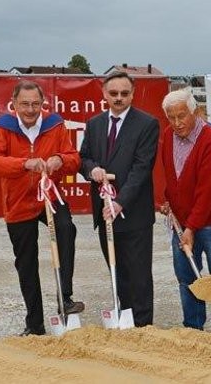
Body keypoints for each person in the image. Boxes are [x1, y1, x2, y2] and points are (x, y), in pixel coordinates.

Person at [0, 80, 84, 336]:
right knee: (26, 264)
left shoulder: (55, 125)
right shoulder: (4, 127)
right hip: (18, 201)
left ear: (43, 103)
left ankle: (66, 297)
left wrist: (59, 159)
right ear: (14, 104)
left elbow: (74, 159)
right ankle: (35, 324)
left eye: (35, 104)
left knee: (66, 229)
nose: (30, 110)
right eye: (25, 104)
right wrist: (24, 164)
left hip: (48, 195)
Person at [79, 71, 159, 327]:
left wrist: (120, 201)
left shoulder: (147, 124)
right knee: (117, 269)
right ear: (104, 94)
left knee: (139, 274)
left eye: (125, 94)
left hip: (133, 212)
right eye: (113, 94)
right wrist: (92, 170)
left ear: (132, 95)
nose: (119, 98)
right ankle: (125, 317)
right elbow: (83, 158)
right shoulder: (94, 124)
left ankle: (143, 324)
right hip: (104, 213)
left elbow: (141, 168)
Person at [159, 87, 211, 331]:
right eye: (171, 117)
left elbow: (208, 190)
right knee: (186, 277)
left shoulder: (210, 141)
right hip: (181, 222)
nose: (177, 122)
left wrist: (191, 228)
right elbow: (172, 177)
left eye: (182, 115)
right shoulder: (167, 136)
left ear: (196, 112)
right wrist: (167, 200)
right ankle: (193, 329)